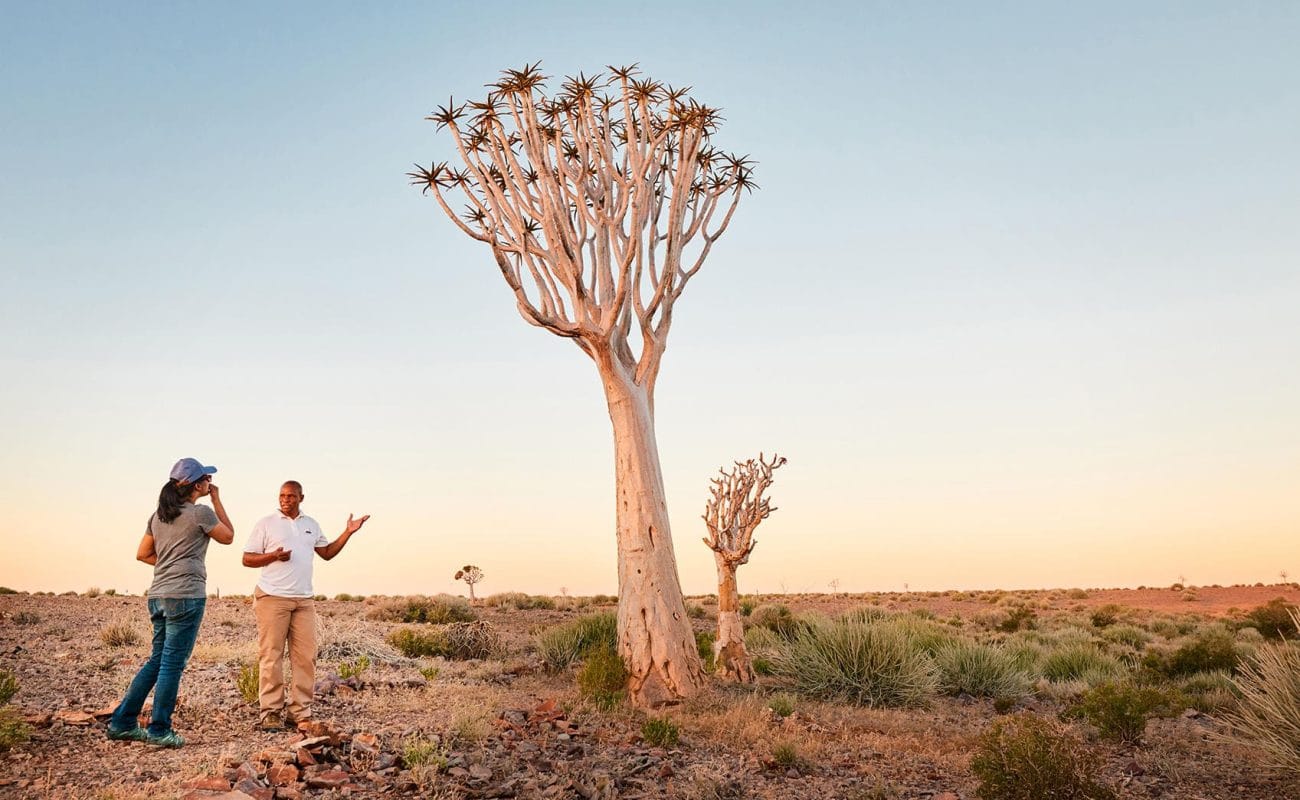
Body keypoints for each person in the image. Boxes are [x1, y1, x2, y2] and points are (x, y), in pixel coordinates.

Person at [106, 458, 234, 748]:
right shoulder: (200, 513)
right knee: (172, 664)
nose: (210, 483)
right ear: (196, 485)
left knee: (158, 660)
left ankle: (122, 722)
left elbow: (142, 554)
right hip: (186, 594)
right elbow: (228, 536)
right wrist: (217, 501)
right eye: (207, 479)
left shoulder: (158, 515)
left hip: (159, 594)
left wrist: (168, 565)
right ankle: (159, 729)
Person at [243, 480, 369, 731]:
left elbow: (327, 553)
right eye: (282, 495)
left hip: (304, 600)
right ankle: (271, 712)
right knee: (271, 655)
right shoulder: (266, 523)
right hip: (272, 596)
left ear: (301, 497)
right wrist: (273, 556)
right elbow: (247, 559)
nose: (285, 499)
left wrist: (348, 532)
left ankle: (299, 711)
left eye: (291, 496)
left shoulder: (311, 524)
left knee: (305, 657)